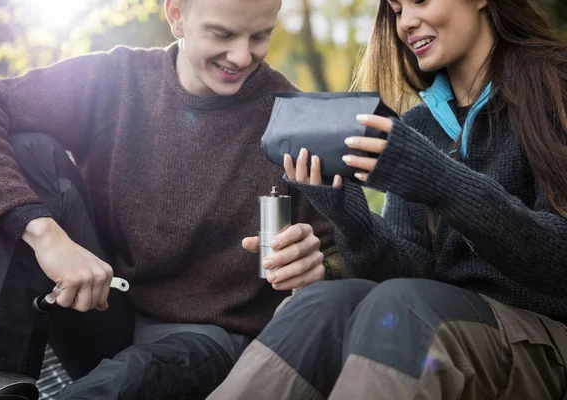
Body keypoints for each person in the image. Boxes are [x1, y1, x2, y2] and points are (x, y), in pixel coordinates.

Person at [0, 0, 340, 398]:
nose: (242, 56)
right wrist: (46, 237)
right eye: (222, 34)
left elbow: (350, 258)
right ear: (176, 16)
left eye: (260, 35)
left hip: (211, 342)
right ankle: (0, 387)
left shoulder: (297, 122)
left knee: (128, 380)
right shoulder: (115, 80)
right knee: (28, 150)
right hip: (102, 306)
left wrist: (322, 266)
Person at [207, 0, 567, 398]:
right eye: (396, 10)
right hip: (448, 320)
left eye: (420, 1)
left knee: (405, 306)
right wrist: (348, 213)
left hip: (545, 338)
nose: (406, 23)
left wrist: (441, 182)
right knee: (324, 303)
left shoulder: (558, 85)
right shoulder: (419, 125)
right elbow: (407, 269)